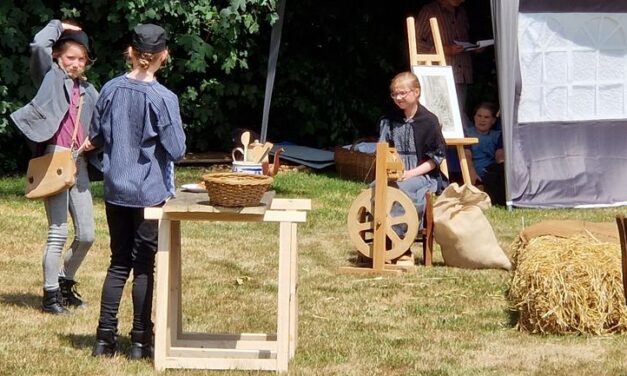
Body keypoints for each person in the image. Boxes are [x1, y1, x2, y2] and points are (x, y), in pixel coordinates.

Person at [87, 23, 186, 359]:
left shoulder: (110, 89)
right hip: (147, 194)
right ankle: (141, 342)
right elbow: (176, 149)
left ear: (129, 53)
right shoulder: (164, 99)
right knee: (143, 266)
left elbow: (96, 136)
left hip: (116, 188)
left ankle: (104, 340)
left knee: (117, 263)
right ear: (164, 56)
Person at [10, 19, 99, 315]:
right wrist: (59, 25)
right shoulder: (50, 77)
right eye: (70, 57)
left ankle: (64, 282)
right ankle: (50, 297)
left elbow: (102, 125)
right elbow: (38, 44)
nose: (75, 64)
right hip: (53, 158)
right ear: (58, 58)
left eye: (81, 59)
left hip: (79, 162)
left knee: (86, 234)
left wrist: (94, 142)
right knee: (58, 232)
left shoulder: (90, 90)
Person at [378, 72, 446, 262]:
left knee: (402, 193)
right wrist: (392, 170)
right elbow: (383, 149)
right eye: (394, 94)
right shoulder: (390, 119)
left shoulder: (429, 121)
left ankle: (401, 247)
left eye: (403, 93)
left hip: (422, 174)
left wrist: (409, 173)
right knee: (376, 189)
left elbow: (436, 158)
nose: (398, 98)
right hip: (395, 172)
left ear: (416, 92)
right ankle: (380, 244)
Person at [415, 0, 473, 126]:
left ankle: (458, 142)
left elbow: (464, 39)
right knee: (442, 113)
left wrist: (474, 47)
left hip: (462, 71)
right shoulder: (430, 11)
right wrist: (444, 49)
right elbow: (416, 44)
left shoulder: (462, 12)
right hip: (439, 72)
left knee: (459, 111)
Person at [464, 102, 505, 205]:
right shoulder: (467, 133)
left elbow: (499, 155)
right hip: (473, 168)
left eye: (486, 117)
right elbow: (466, 155)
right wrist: (471, 172)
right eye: (479, 116)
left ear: (493, 121)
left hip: (491, 170)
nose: (482, 120)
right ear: (474, 117)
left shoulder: (497, 135)